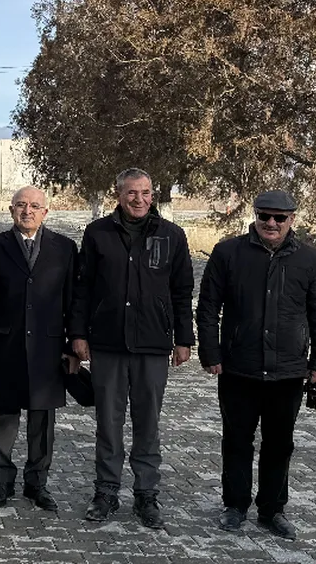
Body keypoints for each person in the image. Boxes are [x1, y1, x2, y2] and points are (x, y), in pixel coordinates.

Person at [196, 190, 316, 539]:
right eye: (264, 216)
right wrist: (211, 353)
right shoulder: (228, 252)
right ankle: (235, 505)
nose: (271, 223)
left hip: (288, 370)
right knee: (237, 440)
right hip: (239, 366)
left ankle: (272, 509)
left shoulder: (310, 258)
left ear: (292, 220)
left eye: (279, 218)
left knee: (279, 443)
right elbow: (208, 306)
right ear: (254, 216)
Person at [70, 167, 194, 529]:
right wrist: (78, 334)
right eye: (131, 193)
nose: (138, 199)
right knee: (108, 423)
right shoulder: (97, 233)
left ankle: (146, 496)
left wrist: (184, 338)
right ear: (119, 195)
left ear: (153, 196)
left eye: (145, 193)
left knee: (147, 424)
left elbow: (182, 291)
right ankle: (106, 492)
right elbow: (83, 289)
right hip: (107, 343)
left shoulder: (172, 235)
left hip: (153, 344)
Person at [0, 186, 77, 513]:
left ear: (45, 212)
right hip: (6, 345)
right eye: (21, 205)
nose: (27, 211)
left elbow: (73, 301)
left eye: (35, 206)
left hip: (49, 348)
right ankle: (2, 483)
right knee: (4, 418)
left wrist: (73, 345)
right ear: (11, 210)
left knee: (42, 421)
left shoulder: (64, 248)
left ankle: (37, 484)